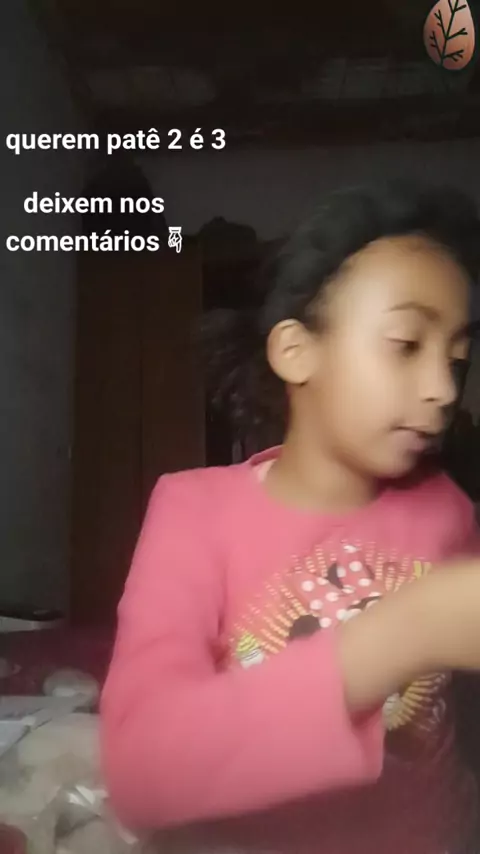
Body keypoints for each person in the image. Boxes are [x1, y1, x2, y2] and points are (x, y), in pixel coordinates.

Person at [101, 182, 480, 854]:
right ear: (295, 351)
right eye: (405, 344)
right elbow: (140, 771)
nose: (443, 389)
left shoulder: (449, 508)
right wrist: (403, 634)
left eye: (457, 360)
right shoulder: (194, 509)